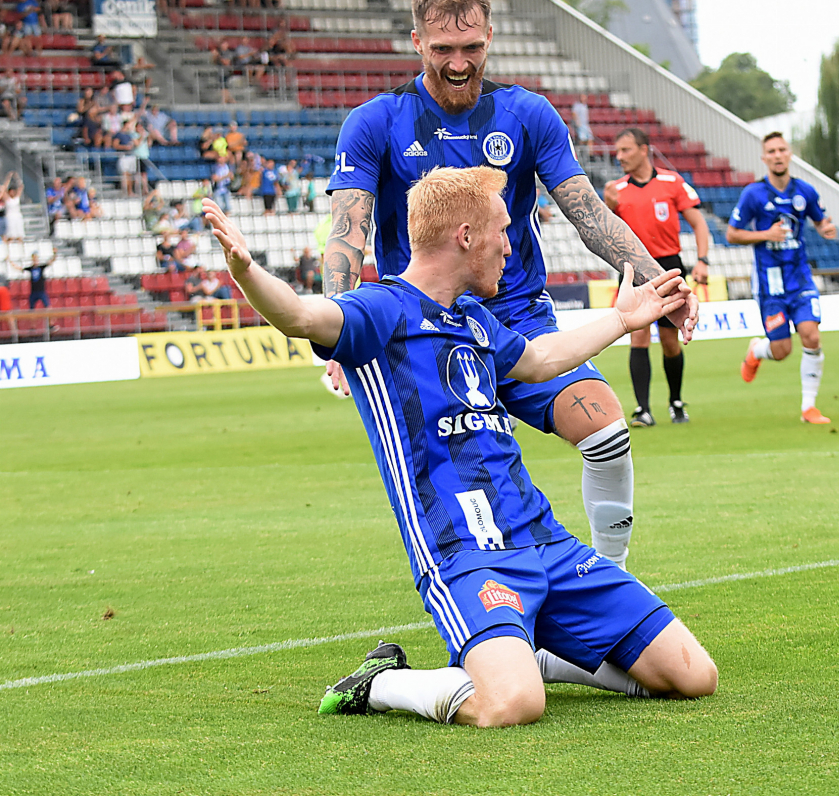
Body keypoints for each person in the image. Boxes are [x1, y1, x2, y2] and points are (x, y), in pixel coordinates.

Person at [202, 166, 716, 728]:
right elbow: (301, 315)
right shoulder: (382, 311)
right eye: (502, 230)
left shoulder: (474, 317)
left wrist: (621, 319)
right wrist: (248, 271)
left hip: (544, 539)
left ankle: (532, 651)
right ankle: (382, 683)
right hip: (464, 553)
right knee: (513, 705)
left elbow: (541, 361)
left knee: (695, 677)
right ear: (466, 236)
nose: (510, 246)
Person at [324, 0, 696, 570]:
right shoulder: (375, 123)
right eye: (442, 49)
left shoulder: (527, 114)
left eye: (471, 48)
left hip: (519, 317)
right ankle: (491, 617)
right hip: (425, 331)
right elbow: (348, 232)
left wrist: (660, 280)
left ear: (491, 38)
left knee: (607, 433)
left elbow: (589, 215)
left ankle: (610, 587)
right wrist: (339, 330)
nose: (458, 63)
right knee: (472, 499)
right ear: (417, 42)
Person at [727, 132, 838, 424]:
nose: (777, 155)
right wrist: (766, 235)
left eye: (782, 150)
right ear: (764, 158)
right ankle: (757, 349)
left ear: (789, 154)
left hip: (800, 278)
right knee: (782, 350)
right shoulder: (753, 194)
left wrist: (826, 228)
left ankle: (808, 408)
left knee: (811, 336)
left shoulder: (805, 191)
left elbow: (820, 220)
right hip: (770, 284)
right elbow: (732, 234)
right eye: (771, 151)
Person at [603, 128, 710, 426]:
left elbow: (699, 224)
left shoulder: (672, 182)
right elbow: (607, 232)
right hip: (632, 269)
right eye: (618, 151)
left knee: (669, 339)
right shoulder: (616, 190)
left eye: (625, 150)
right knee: (638, 334)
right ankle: (642, 409)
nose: (619, 156)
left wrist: (702, 260)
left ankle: (676, 402)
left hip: (668, 266)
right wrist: (608, 205)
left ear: (644, 149)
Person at [1, 171, 25, 242]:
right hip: (10, 216)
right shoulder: (7, 198)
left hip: (17, 215)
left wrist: (17, 178)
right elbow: (4, 188)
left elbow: (21, 186)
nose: (12, 192)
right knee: (11, 235)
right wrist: (8, 177)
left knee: (19, 234)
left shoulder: (16, 198)